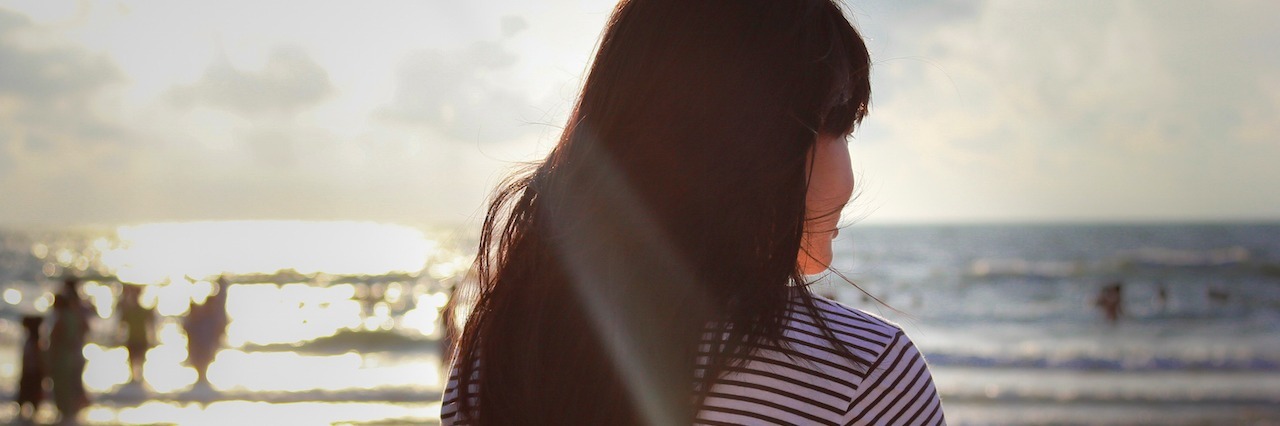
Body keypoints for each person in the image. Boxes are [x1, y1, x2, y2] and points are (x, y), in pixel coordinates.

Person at [441, 1, 944, 425]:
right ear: (752, 148)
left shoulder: (505, 347)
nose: (850, 173)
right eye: (839, 128)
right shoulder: (861, 374)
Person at [48, 277, 92, 424]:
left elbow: (54, 339)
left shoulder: (62, 317)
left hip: (64, 356)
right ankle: (73, 415)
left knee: (63, 386)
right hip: (76, 353)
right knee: (74, 384)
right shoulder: (76, 313)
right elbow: (86, 328)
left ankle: (67, 415)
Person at [117, 284, 155, 384]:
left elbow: (151, 323)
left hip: (139, 339)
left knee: (137, 360)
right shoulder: (132, 310)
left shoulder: (136, 310)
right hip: (134, 339)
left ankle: (136, 379)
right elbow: (122, 325)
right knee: (135, 360)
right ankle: (136, 379)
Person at [16, 315, 46, 421]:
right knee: (28, 393)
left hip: (32, 371)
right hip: (31, 371)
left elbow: (37, 359)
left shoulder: (34, 342)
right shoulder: (34, 340)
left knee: (29, 392)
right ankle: (29, 416)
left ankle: (30, 416)